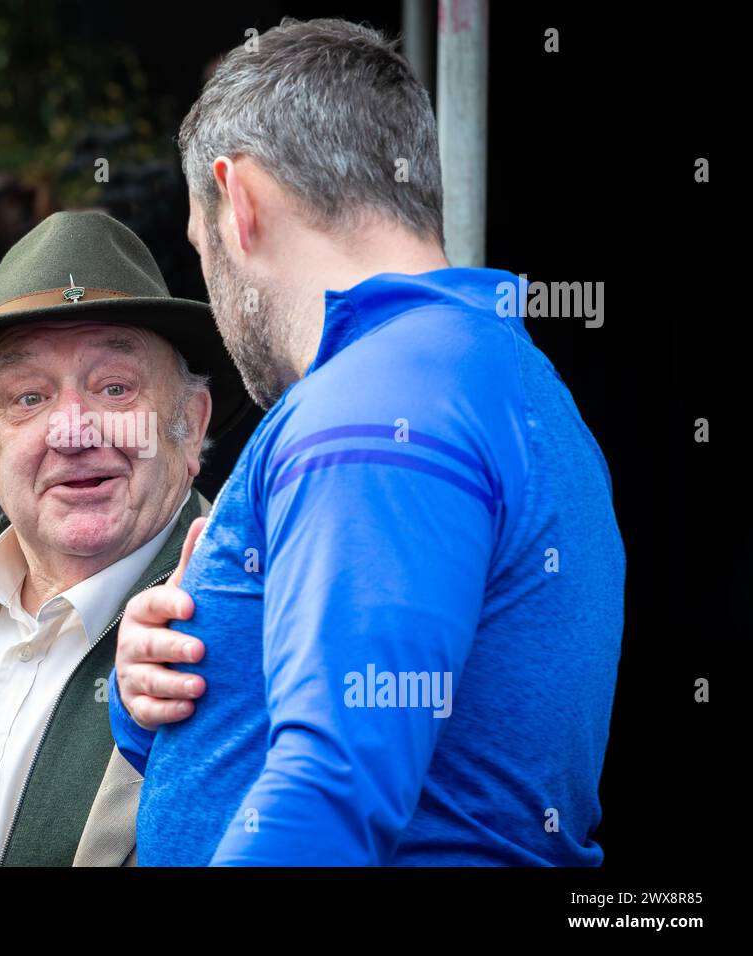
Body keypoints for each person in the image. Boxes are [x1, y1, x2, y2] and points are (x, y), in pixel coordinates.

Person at [108, 17, 625, 866]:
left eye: (201, 251)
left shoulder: (377, 402)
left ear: (239, 202)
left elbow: (331, 791)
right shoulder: (500, 377)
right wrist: (156, 685)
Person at [0, 210, 250, 865]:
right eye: (27, 398)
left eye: (114, 387)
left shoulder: (260, 619)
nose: (72, 430)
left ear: (191, 424)